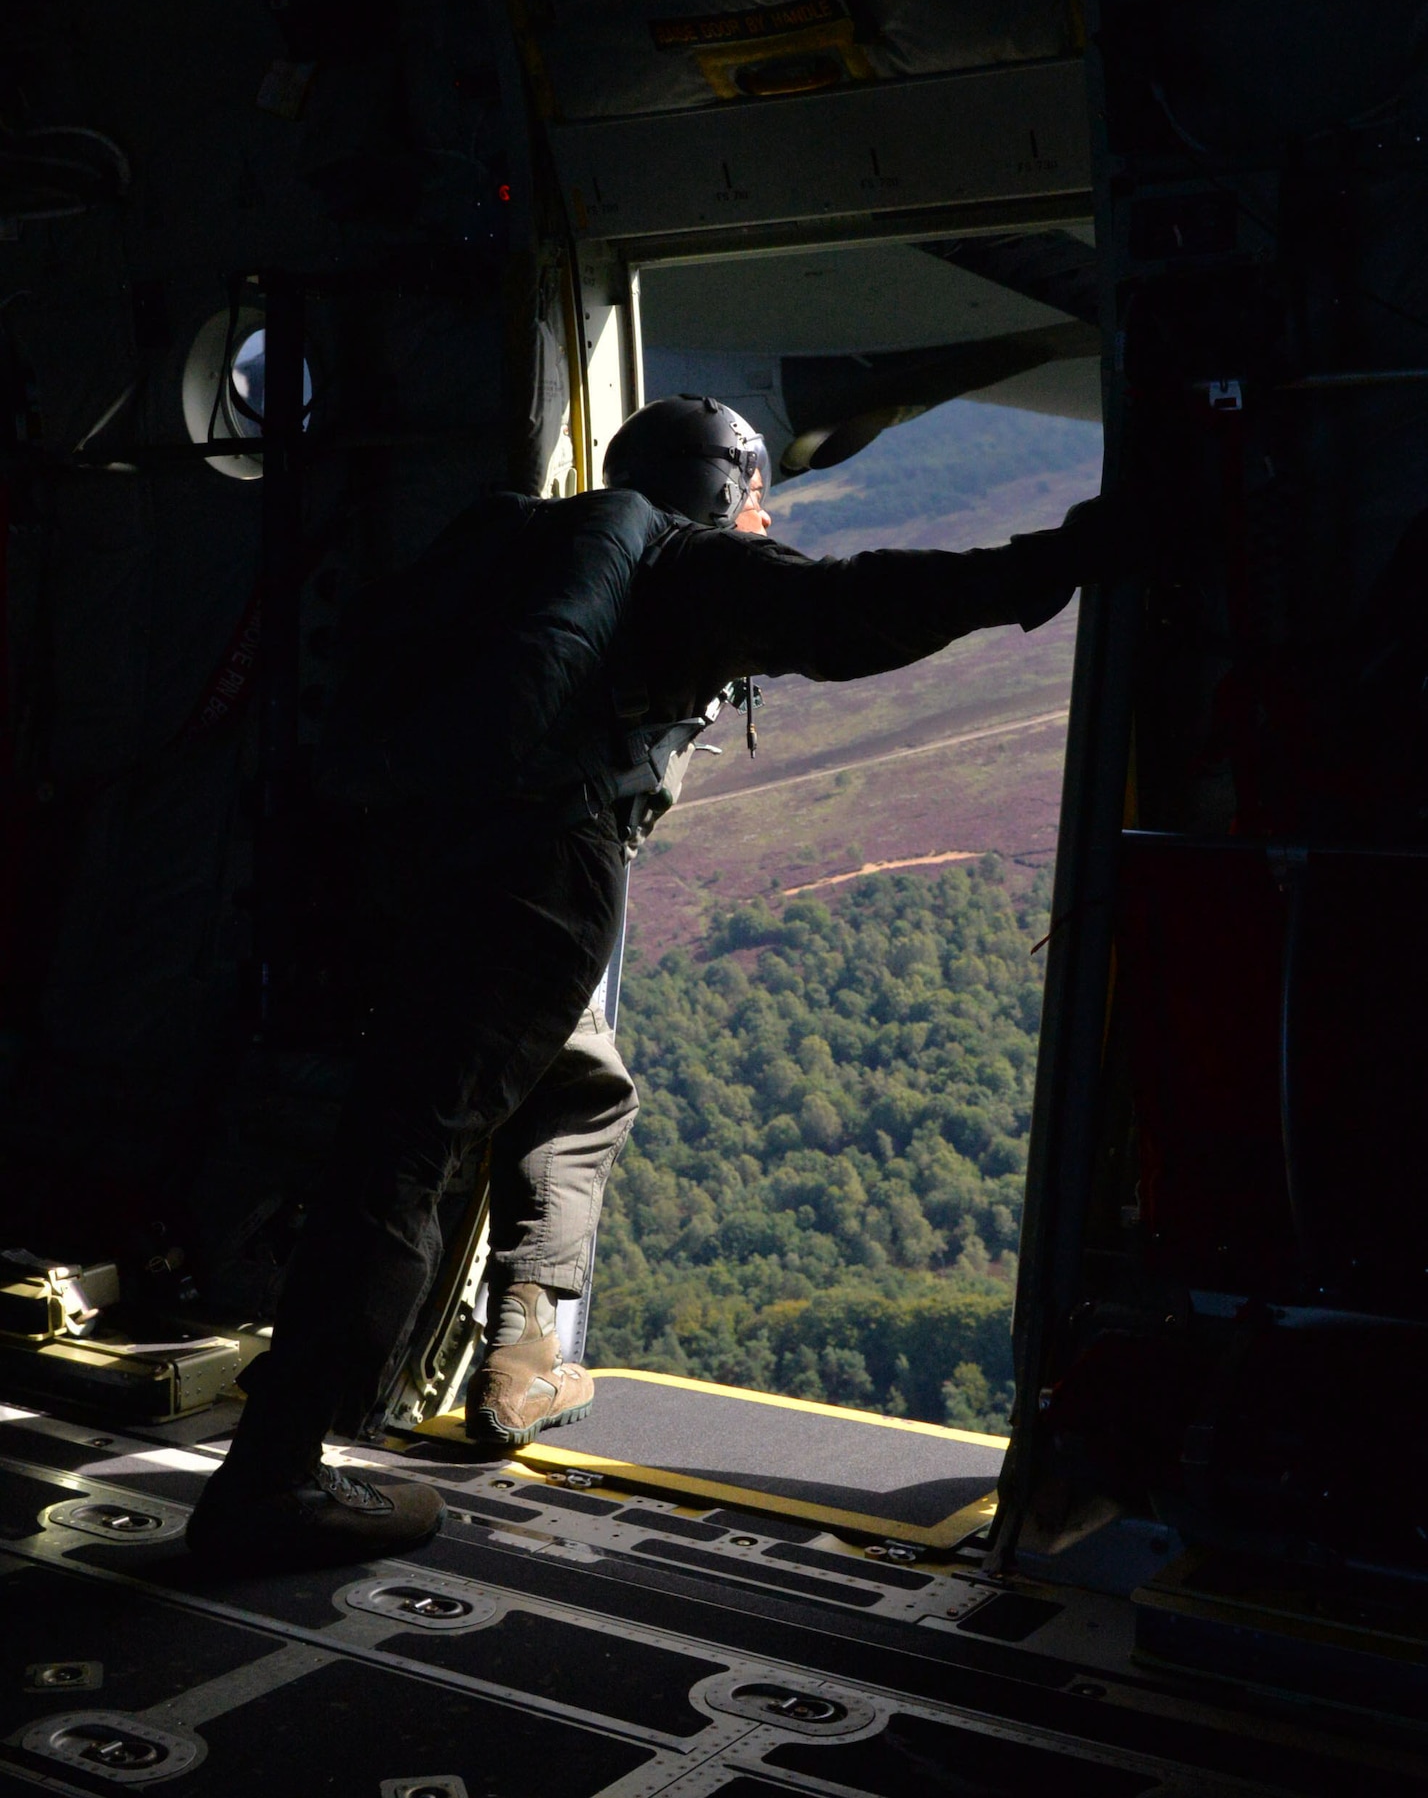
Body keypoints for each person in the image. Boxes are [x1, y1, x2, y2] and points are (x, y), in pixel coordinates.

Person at [187, 394, 1118, 1569]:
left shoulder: (518, 544)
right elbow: (851, 609)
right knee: (405, 1153)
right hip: (535, 878)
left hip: (405, 866)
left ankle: (519, 1352)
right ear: (732, 493)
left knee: (568, 1085)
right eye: (757, 501)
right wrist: (1059, 559)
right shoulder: (686, 564)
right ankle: (277, 1473)